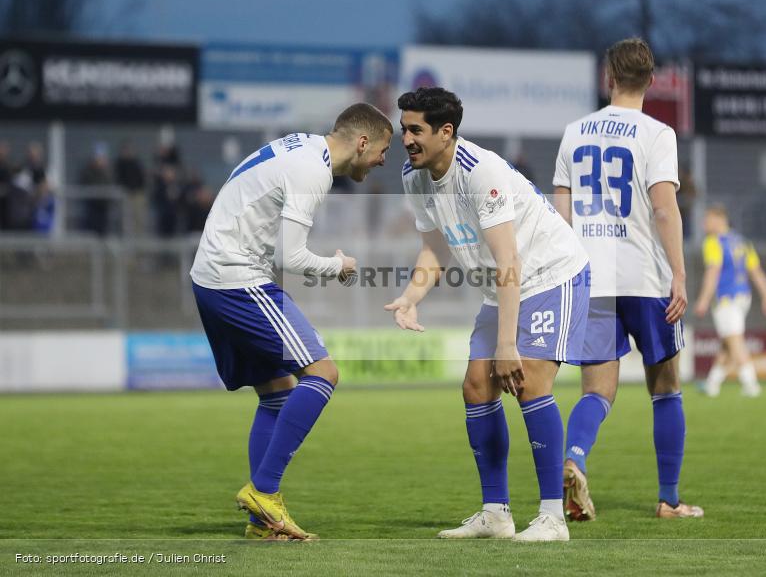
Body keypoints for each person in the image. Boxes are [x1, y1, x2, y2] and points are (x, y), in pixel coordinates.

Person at [386, 87, 590, 542]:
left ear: (446, 132)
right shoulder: (414, 176)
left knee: (529, 380)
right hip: (507, 288)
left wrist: (506, 345)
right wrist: (411, 296)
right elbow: (434, 248)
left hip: (550, 275)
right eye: (404, 130)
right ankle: (496, 515)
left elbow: (508, 260)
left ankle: (553, 519)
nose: (407, 139)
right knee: (477, 386)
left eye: (415, 130)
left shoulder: (483, 173)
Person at [190, 103, 392, 540]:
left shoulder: (298, 146)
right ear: (362, 142)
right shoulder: (313, 171)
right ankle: (264, 492)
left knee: (278, 391)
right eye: (382, 150)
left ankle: (263, 522)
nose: (382, 161)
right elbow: (290, 256)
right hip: (237, 276)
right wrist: (336, 265)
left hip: (213, 275)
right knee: (323, 373)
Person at [552, 37, 700, 522]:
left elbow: (562, 211)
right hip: (645, 276)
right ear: (651, 80)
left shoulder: (575, 132)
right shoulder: (657, 134)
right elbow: (663, 206)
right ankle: (669, 500)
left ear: (607, 77)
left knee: (596, 391)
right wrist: (679, 273)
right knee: (666, 387)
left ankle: (573, 459)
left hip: (590, 277)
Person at [694, 205, 766, 397]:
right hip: (744, 297)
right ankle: (712, 384)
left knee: (734, 341)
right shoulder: (742, 242)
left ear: (719, 219)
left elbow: (713, 271)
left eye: (707, 219)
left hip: (726, 298)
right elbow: (756, 272)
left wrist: (703, 300)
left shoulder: (713, 242)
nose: (704, 224)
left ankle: (751, 384)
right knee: (727, 343)